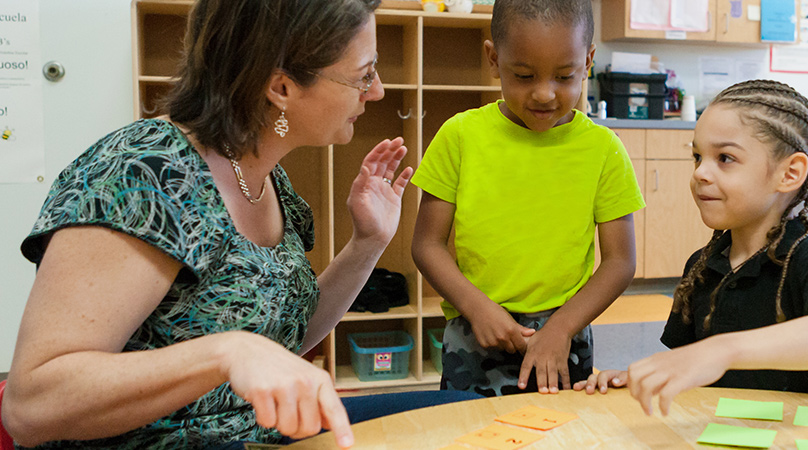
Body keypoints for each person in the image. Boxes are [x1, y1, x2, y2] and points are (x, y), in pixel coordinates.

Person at [2, 1, 479, 449]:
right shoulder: (143, 175)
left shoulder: (264, 178)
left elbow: (281, 341)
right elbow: (32, 404)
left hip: (257, 433)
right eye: (364, 75)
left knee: (471, 417)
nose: (375, 92)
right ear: (282, 87)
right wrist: (224, 353)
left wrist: (367, 244)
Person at [573, 80, 808, 415]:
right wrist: (645, 376)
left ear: (789, 173)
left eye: (725, 158)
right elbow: (690, 365)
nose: (701, 172)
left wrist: (723, 350)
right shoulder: (701, 266)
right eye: (697, 157)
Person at [410, 0, 644, 397]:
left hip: (564, 333)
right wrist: (478, 309)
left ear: (588, 61)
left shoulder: (605, 149)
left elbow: (620, 262)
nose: (544, 93)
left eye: (565, 75)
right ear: (493, 58)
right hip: (475, 329)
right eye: (523, 75)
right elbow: (426, 244)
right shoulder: (460, 136)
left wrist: (562, 328)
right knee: (471, 436)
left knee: (561, 433)